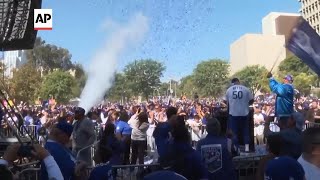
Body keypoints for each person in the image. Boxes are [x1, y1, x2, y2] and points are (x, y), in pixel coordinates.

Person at [225, 78, 253, 152]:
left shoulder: (229, 89)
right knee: (245, 130)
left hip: (233, 113)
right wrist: (246, 104)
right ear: (239, 82)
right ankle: (247, 148)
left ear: (232, 83)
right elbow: (252, 100)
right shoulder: (246, 89)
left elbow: (226, 102)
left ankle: (236, 149)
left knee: (234, 132)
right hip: (245, 113)